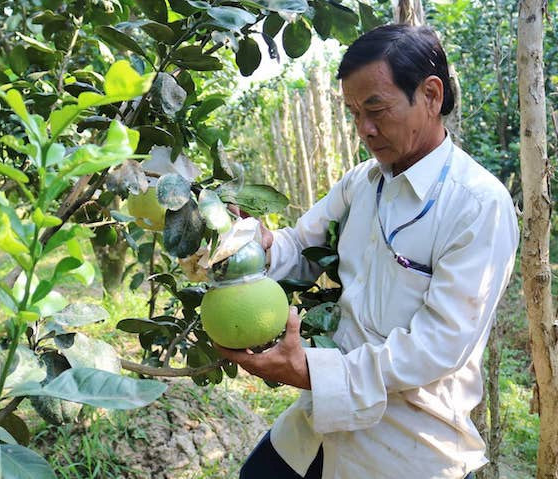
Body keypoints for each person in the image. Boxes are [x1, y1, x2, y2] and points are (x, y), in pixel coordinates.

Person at [216, 24, 519, 479]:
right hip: (318, 424)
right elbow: (299, 245)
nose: (365, 129)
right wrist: (256, 245)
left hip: (406, 444)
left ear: (432, 95)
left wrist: (311, 371)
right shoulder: (364, 181)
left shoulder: (477, 205)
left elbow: (436, 347)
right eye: (354, 112)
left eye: (376, 108)